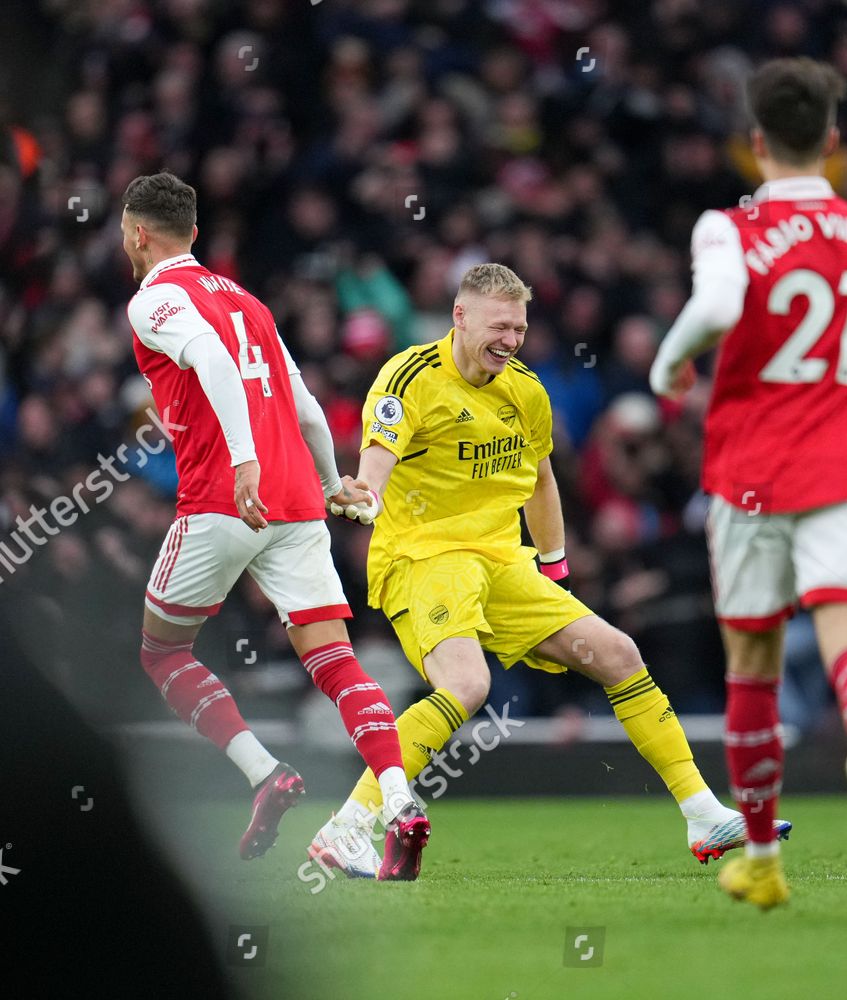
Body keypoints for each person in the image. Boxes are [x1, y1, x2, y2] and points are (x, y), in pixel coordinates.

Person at [306, 262, 786, 877]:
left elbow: (539, 478)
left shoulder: (525, 390)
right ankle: (348, 826)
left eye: (520, 328)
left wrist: (555, 566)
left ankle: (702, 813)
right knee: (467, 686)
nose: (510, 340)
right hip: (424, 556)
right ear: (459, 317)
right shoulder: (409, 378)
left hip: (503, 560)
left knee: (619, 654)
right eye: (499, 326)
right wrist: (363, 496)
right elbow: (376, 466)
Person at [650, 58, 847, 908]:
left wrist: (671, 365)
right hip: (844, 469)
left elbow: (713, 310)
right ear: (832, 140)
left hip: (748, 474)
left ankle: (761, 856)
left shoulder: (727, 227)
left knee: (753, 668)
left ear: (755, 145)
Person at [120, 171, 430, 879]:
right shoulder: (249, 302)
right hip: (297, 503)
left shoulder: (155, 299)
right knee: (336, 661)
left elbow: (210, 360)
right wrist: (333, 482)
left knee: (164, 653)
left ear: (137, 233)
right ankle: (401, 800)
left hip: (225, 497)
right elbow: (308, 403)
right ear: (194, 232)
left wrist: (244, 461)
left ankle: (265, 773)